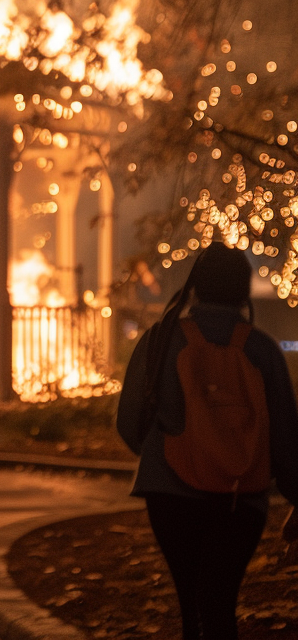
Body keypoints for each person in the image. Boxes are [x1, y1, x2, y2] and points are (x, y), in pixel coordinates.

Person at [117, 241, 298, 640]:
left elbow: (129, 422)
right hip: (240, 498)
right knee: (220, 602)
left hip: (171, 495)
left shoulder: (160, 340)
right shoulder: (262, 349)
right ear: (243, 290)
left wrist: (162, 457)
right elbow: (286, 438)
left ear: (194, 286)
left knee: (190, 603)